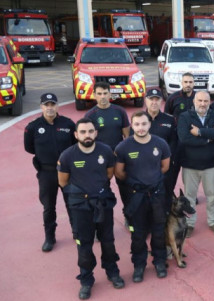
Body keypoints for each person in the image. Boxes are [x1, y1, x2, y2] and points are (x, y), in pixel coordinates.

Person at [57, 118, 124, 299]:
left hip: (103, 203)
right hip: (80, 207)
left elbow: (108, 175)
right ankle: (86, 279)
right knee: (84, 244)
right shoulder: (67, 156)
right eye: (83, 132)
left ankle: (112, 271)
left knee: (108, 240)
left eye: (90, 131)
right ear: (76, 135)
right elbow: (63, 182)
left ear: (96, 133)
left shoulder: (106, 151)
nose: (87, 135)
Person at [114, 111, 171, 282]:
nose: (140, 128)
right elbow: (119, 172)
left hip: (156, 194)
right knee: (138, 234)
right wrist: (136, 184)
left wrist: (151, 182)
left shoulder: (160, 144)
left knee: (158, 230)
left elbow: (165, 167)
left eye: (144, 124)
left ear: (149, 125)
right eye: (137, 124)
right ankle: (139, 265)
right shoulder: (123, 147)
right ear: (132, 126)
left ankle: (159, 261)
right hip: (136, 197)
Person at [24, 93, 76, 252]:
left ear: (57, 106)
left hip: (67, 172)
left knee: (72, 204)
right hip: (46, 173)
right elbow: (29, 148)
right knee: (48, 207)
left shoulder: (68, 124)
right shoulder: (32, 127)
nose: (50, 108)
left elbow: (75, 145)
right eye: (46, 105)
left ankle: (78, 232)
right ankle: (50, 237)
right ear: (41, 107)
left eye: (52, 104)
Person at [177, 91, 214, 237]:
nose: (203, 104)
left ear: (209, 102)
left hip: (211, 165)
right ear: (194, 101)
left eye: (205, 101)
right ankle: (190, 224)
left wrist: (200, 132)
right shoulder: (185, 117)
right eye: (200, 101)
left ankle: (213, 221)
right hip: (190, 165)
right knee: (190, 197)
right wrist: (208, 138)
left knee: (212, 196)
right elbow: (184, 138)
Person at [84, 82, 130, 209]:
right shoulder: (90, 115)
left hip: (119, 157)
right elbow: (87, 140)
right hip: (100, 159)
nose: (102, 96)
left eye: (105, 93)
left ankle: (129, 216)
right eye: (99, 94)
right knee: (101, 189)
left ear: (110, 94)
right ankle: (103, 219)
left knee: (126, 188)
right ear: (94, 95)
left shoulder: (119, 111)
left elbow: (128, 137)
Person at [142, 87, 178, 212]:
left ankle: (165, 217)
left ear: (161, 101)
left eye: (157, 99)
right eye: (151, 99)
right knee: (144, 196)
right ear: (146, 101)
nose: (154, 102)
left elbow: (174, 142)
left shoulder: (169, 119)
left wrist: (166, 161)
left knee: (166, 194)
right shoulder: (139, 120)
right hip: (145, 167)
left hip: (165, 166)